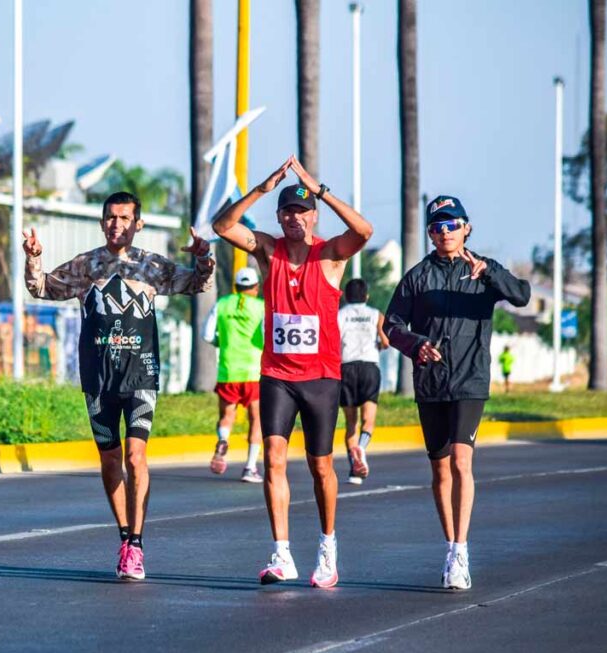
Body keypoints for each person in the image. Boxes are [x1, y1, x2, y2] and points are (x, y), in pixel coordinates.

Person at [24, 191, 214, 581]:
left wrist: (203, 257)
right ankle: (125, 537)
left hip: (141, 375)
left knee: (135, 457)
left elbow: (197, 283)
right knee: (110, 460)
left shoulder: (151, 265)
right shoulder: (86, 265)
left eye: (125, 218)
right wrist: (33, 258)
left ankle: (138, 544)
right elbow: (42, 288)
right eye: (111, 217)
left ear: (137, 224)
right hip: (98, 377)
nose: (117, 224)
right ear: (102, 222)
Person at [213, 155, 373, 589]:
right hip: (277, 375)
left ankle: (327, 546)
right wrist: (261, 190)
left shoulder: (330, 255)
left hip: (321, 377)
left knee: (321, 466)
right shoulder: (269, 251)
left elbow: (364, 231)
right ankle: (282, 553)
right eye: (287, 211)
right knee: (274, 459)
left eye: (303, 211)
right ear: (280, 217)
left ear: (313, 216)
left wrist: (320, 190)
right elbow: (223, 226)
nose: (295, 218)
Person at [384, 195, 530, 590]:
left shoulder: (483, 270)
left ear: (467, 228)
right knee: (440, 467)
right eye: (437, 226)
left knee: (462, 462)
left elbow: (521, 295)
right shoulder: (417, 276)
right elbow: (392, 325)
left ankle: (461, 552)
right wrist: (416, 344)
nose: (445, 232)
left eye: (452, 225)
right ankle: (450, 545)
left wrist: (491, 275)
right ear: (430, 234)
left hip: (470, 380)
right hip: (431, 382)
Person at [202, 266, 265, 483]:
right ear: (256, 287)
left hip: (228, 371)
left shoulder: (222, 304)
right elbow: (265, 335)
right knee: (256, 419)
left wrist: (221, 342)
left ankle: (223, 440)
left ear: (236, 287)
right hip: (253, 372)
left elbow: (207, 335)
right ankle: (250, 467)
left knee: (226, 416)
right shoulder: (261, 307)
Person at [337, 278, 390, 485]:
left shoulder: (340, 315)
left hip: (346, 368)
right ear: (366, 296)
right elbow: (386, 342)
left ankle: (354, 471)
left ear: (346, 296)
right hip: (369, 368)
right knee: (368, 419)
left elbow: (333, 341)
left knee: (351, 423)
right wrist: (378, 345)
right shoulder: (376, 315)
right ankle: (362, 447)